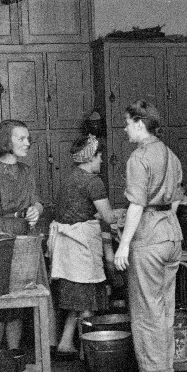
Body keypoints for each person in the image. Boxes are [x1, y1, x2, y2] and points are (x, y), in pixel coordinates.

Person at [114, 101, 183, 372]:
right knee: (165, 306)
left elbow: (136, 205)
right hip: (171, 234)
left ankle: (155, 371)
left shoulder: (138, 158)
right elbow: (176, 198)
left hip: (148, 239)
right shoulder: (170, 155)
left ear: (140, 124)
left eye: (128, 123)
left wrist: (124, 244)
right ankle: (167, 367)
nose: (125, 129)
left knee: (146, 308)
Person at [0, 119, 42, 372]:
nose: (27, 143)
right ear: (6, 141)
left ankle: (14, 358)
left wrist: (36, 209)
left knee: (20, 296)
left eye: (28, 138)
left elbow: (36, 200)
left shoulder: (26, 171)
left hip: (23, 234)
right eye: (21, 138)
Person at [49, 134, 117, 357]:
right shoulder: (93, 182)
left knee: (78, 299)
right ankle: (89, 352)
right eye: (99, 156)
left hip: (67, 246)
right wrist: (123, 214)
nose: (102, 160)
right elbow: (108, 216)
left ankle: (66, 342)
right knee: (87, 300)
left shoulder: (69, 178)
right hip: (81, 246)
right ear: (90, 158)